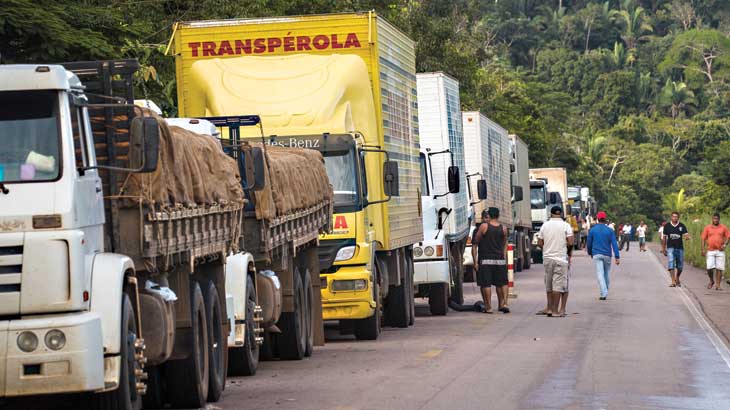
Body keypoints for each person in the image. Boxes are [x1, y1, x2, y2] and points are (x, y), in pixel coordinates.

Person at [536, 206, 574, 317]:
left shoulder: (545, 225)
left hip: (547, 258)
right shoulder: (566, 225)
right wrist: (568, 252)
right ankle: (555, 311)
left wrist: (547, 249)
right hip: (561, 258)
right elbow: (571, 242)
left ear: (551, 214)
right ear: (561, 214)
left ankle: (549, 308)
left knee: (549, 284)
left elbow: (539, 242)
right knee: (558, 285)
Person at [473, 207, 509, 314]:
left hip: (485, 260)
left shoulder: (484, 226)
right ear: (498, 216)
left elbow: (475, 243)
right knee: (501, 283)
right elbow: (505, 243)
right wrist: (504, 257)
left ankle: (488, 307)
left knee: (486, 284)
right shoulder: (504, 228)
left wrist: (475, 262)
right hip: (500, 260)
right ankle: (503, 304)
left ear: (489, 216)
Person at [587, 211, 620, 300]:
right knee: (606, 273)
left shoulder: (592, 230)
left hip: (596, 254)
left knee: (600, 273)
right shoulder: (610, 230)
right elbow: (614, 244)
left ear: (597, 219)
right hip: (607, 255)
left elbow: (589, 243)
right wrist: (617, 256)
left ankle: (603, 293)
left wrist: (590, 252)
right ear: (605, 219)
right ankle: (605, 290)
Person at [701, 213, 730, 291]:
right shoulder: (708, 227)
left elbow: (728, 237)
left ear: (719, 219)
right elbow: (703, 238)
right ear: (712, 219)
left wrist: (724, 245)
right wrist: (702, 249)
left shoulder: (723, 227)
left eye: (717, 219)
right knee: (709, 267)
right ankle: (711, 280)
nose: (715, 220)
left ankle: (718, 285)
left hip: (720, 251)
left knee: (719, 268)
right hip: (710, 250)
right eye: (714, 218)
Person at [662, 211, 690, 287]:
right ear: (671, 217)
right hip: (670, 247)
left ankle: (677, 277)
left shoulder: (682, 226)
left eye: (676, 217)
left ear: (678, 218)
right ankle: (673, 281)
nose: (674, 218)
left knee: (680, 266)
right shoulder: (667, 226)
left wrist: (687, 237)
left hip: (680, 248)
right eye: (673, 216)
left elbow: (686, 234)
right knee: (671, 263)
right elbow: (664, 238)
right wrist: (663, 249)